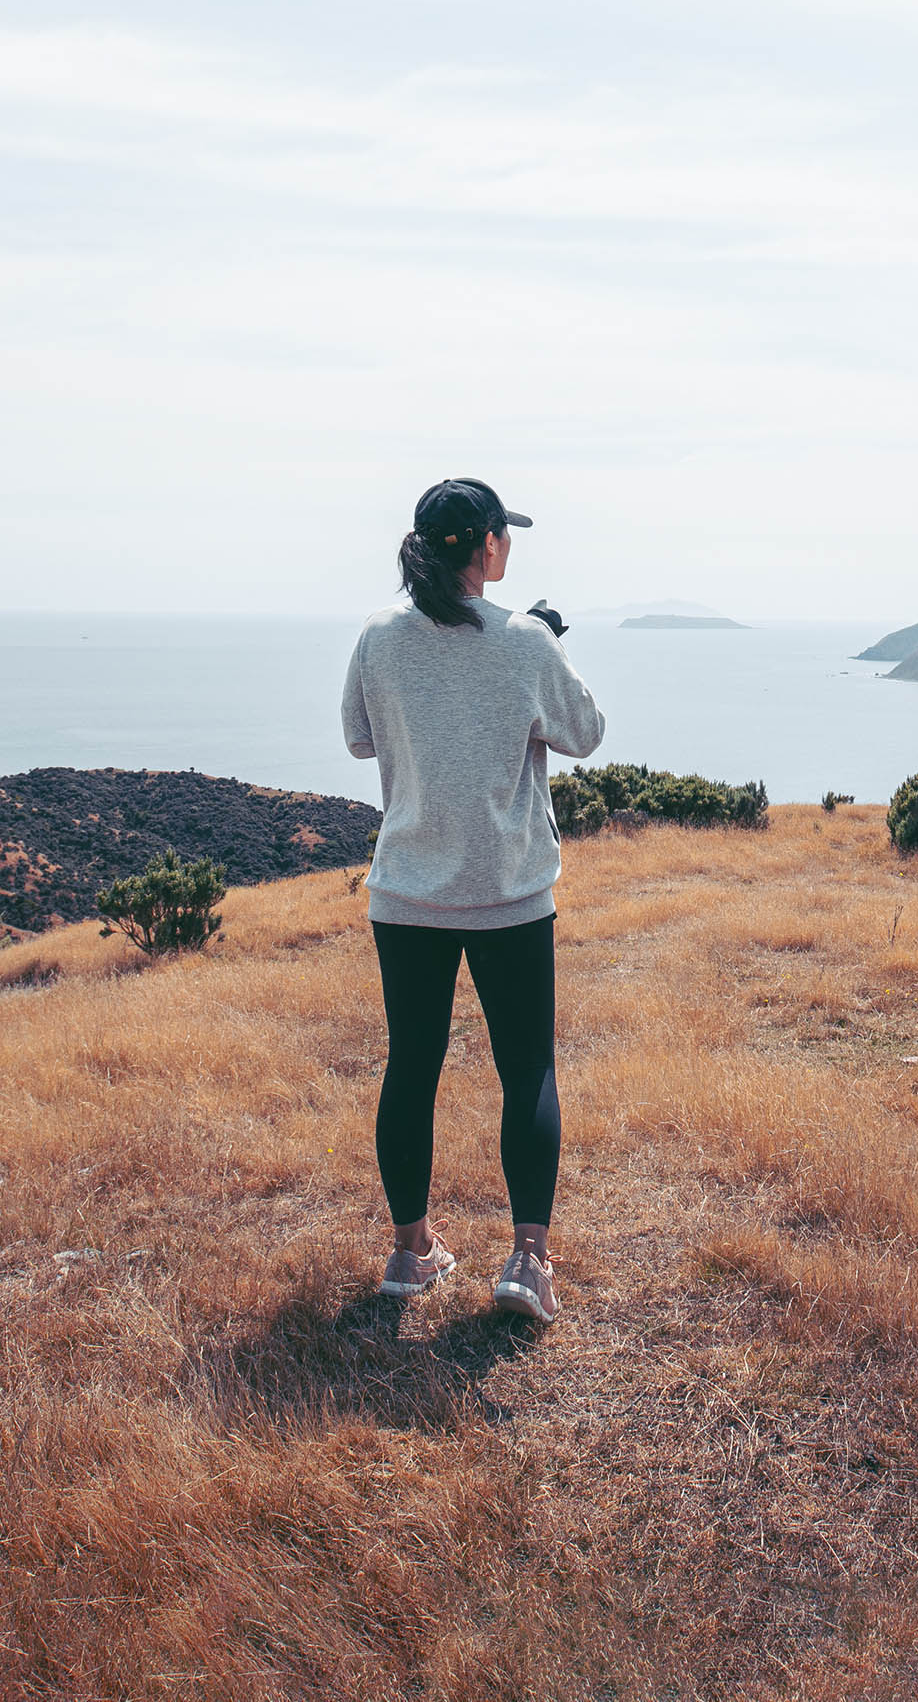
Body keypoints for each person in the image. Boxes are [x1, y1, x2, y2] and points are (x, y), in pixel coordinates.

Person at [339, 477, 603, 1323]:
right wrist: (547, 650)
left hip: (407, 893)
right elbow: (587, 733)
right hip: (508, 893)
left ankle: (411, 1253)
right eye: (505, 535)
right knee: (526, 1071)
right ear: (487, 547)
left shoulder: (379, 637)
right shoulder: (524, 640)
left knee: (410, 1069)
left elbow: (358, 738)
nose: (510, 547)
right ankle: (527, 1263)